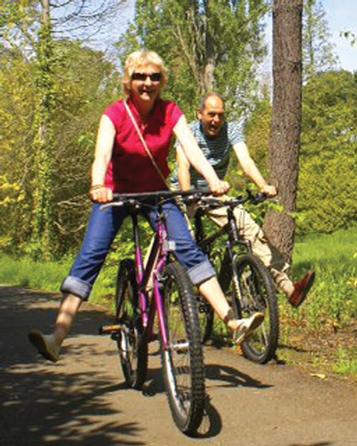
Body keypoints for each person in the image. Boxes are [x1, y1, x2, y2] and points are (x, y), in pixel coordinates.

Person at [28, 51, 264, 363]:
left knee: (188, 249)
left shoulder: (170, 112)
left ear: (162, 81)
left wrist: (212, 180)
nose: (147, 82)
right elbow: (101, 156)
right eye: (140, 76)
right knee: (91, 256)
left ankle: (233, 322)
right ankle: (57, 337)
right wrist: (99, 185)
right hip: (114, 195)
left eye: (154, 77)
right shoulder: (113, 114)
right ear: (128, 81)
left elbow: (192, 151)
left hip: (155, 193)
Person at [172, 92, 315, 307]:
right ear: (199, 114)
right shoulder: (188, 132)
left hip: (214, 192)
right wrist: (187, 196)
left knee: (249, 229)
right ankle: (147, 291)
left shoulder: (232, 130)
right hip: (184, 191)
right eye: (211, 115)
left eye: (220, 115)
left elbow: (246, 162)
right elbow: (183, 168)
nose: (216, 120)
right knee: (180, 238)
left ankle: (289, 288)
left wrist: (263, 186)